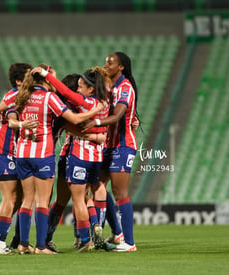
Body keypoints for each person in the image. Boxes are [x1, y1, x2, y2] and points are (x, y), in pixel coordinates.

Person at [11, 64, 105, 254]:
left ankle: (21, 243)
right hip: (42, 154)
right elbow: (75, 121)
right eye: (52, 78)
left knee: (27, 200)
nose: (56, 81)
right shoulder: (49, 98)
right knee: (43, 202)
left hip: (21, 153)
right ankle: (41, 246)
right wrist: (97, 111)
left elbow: (8, 115)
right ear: (46, 79)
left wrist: (20, 123)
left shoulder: (21, 96)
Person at [33, 66, 111, 252]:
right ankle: (93, 230)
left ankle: (75, 239)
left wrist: (46, 76)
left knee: (65, 200)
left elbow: (72, 122)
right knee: (85, 197)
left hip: (73, 156)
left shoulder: (76, 107)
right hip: (95, 155)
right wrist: (97, 135)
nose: (78, 89)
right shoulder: (102, 104)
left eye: (80, 86)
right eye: (76, 86)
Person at [0, 63, 37, 255]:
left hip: (12, 151)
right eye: (29, 76)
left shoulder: (24, 96)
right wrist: (20, 123)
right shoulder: (14, 95)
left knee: (19, 198)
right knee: (10, 197)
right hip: (1, 151)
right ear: (19, 81)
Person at [84, 52, 139, 252]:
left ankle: (129, 243)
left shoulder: (125, 88)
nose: (106, 64)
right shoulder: (109, 88)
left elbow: (117, 116)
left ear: (121, 67)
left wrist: (95, 122)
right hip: (107, 146)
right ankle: (116, 233)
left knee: (120, 193)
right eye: (106, 61)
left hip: (123, 146)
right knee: (97, 185)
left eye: (111, 62)